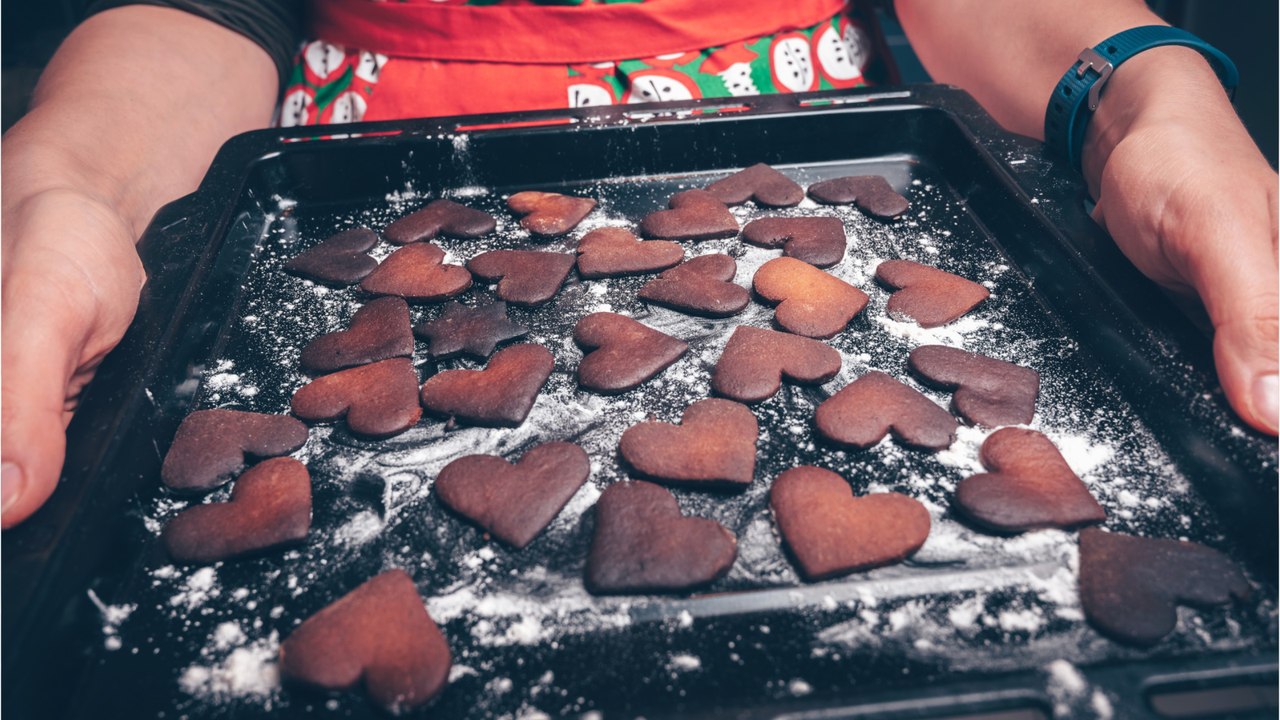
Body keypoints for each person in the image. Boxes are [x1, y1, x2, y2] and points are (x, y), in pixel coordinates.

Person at [2, 0, 1275, 528]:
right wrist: (74, 188)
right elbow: (199, 11)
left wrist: (1136, 104)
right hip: (374, 185)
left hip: (822, 158)